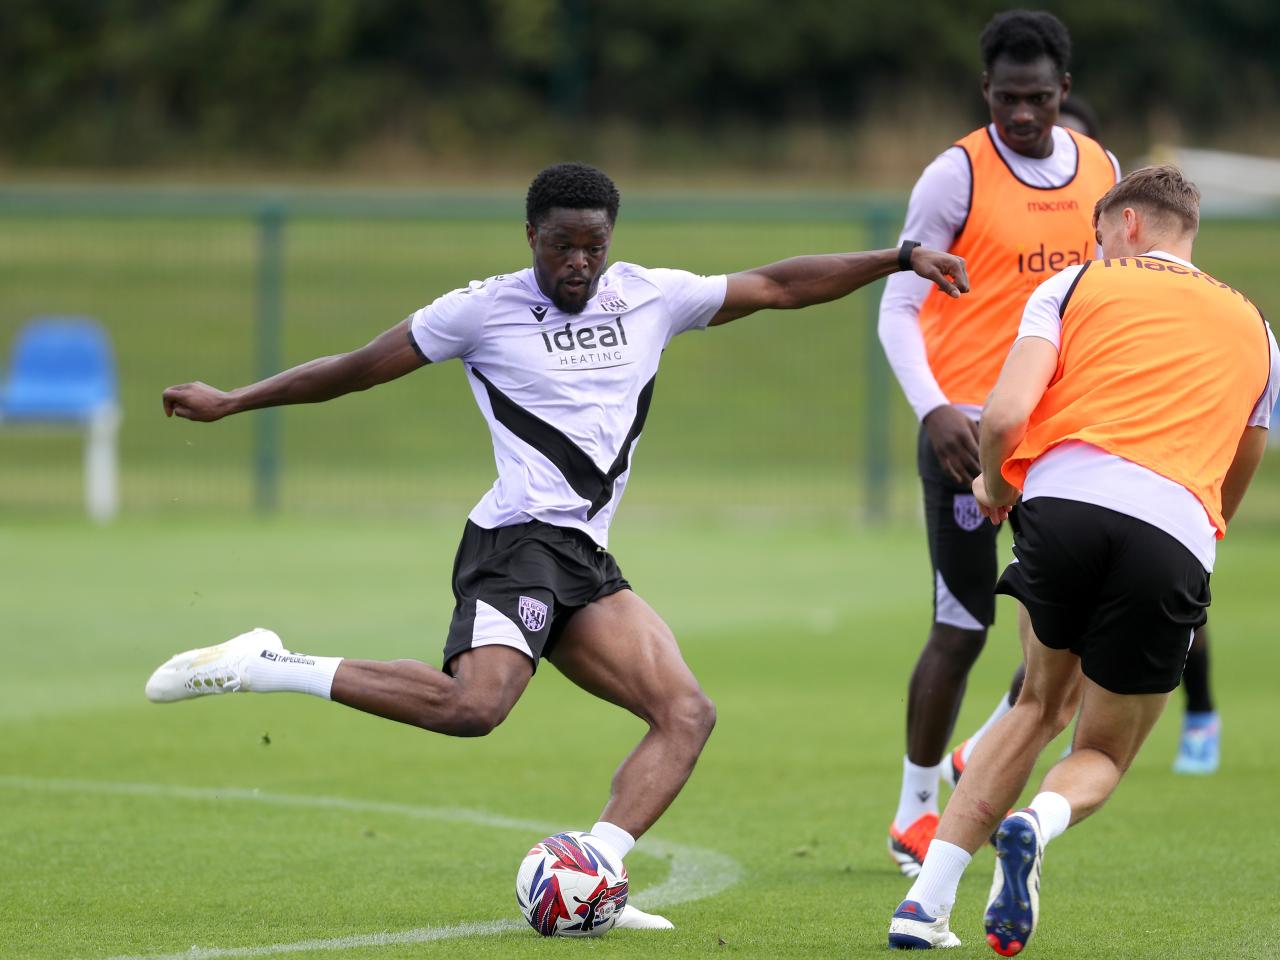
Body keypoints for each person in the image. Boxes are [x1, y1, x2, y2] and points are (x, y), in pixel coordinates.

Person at [145, 162, 968, 932]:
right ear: (530, 237)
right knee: (475, 708)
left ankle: (593, 874)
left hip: (584, 557)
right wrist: (232, 401)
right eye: (561, 245)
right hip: (515, 542)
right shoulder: (479, 310)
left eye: (594, 246)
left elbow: (780, 285)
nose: (579, 262)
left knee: (686, 714)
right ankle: (266, 663)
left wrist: (898, 258)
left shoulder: (651, 296)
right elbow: (357, 368)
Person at [886, 164, 1279, 953]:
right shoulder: (1260, 332)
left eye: (1099, 232)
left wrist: (998, 487)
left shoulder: (1073, 286)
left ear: (1127, 225)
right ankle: (1037, 821)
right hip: (1173, 532)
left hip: (1062, 508)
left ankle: (924, 907)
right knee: (1098, 748)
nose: (1094, 245)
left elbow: (1001, 415)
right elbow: (1243, 462)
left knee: (1035, 705)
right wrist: (1200, 544)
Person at [877, 9, 1118, 876]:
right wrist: (935, 408)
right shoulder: (956, 175)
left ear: (1063, 91)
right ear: (988, 92)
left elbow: (1109, 296)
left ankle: (982, 749)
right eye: (1008, 99)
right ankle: (915, 807)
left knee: (1074, 628)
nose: (1023, 115)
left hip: (1059, 439)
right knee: (963, 626)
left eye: (1039, 98)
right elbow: (900, 304)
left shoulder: (1101, 169)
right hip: (967, 436)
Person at [1058, 95, 1222, 776]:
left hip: (1162, 470)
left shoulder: (1163, 277)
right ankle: (1008, 770)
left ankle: (1201, 711)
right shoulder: (1079, 276)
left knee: (1173, 592)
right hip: (1091, 475)